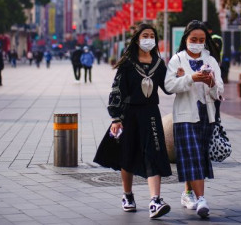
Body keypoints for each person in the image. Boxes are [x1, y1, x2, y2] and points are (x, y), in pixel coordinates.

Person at [94, 24, 172, 219]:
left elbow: (168, 88)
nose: (149, 39)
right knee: (127, 154)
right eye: (145, 35)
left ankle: (155, 200)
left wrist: (180, 78)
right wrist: (116, 118)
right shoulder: (128, 63)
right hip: (129, 114)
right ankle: (127, 196)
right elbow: (117, 90)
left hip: (151, 113)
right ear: (137, 39)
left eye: (152, 36)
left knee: (154, 152)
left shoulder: (158, 64)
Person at [164, 20, 223, 218]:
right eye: (193, 39)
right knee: (194, 154)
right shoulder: (177, 59)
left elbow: (219, 92)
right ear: (186, 40)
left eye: (201, 40)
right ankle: (202, 200)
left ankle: (188, 192)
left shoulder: (211, 60)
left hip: (206, 114)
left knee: (196, 155)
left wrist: (212, 82)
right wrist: (191, 78)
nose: (197, 43)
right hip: (185, 116)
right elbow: (169, 85)